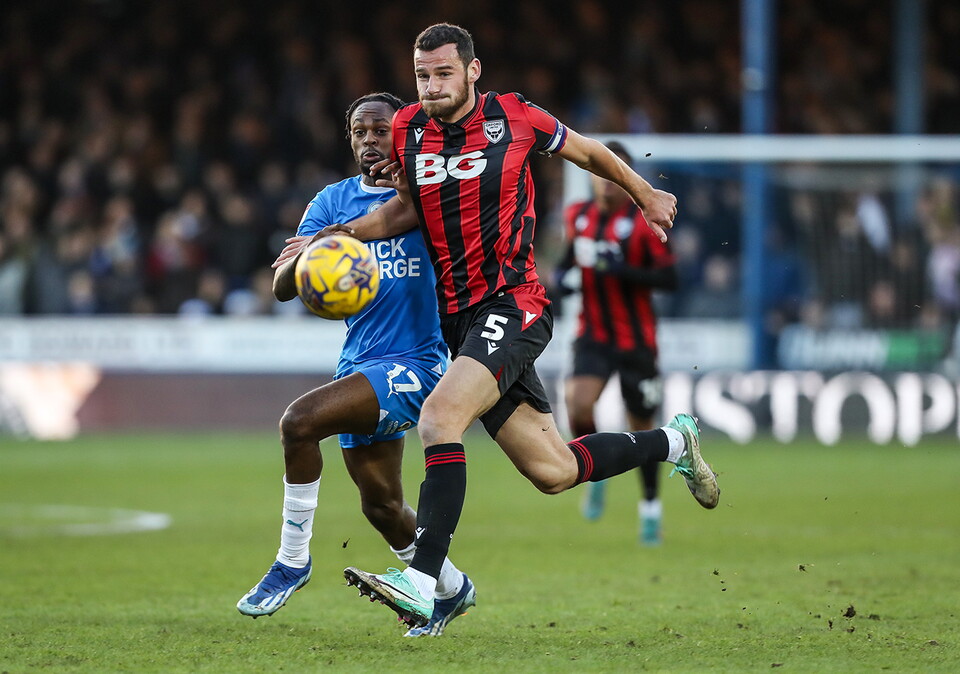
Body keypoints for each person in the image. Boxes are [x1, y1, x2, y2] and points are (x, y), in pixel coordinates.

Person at [275, 23, 719, 629]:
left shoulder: (516, 119)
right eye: (422, 76)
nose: (431, 87)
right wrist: (342, 234)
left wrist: (644, 193)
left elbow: (588, 151)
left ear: (472, 71)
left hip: (514, 303)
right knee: (554, 471)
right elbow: (409, 207)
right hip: (462, 321)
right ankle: (676, 442)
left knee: (438, 418)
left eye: (442, 74)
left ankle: (423, 581)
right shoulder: (409, 132)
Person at [237, 92, 475, 638]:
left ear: (404, 134)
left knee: (298, 422)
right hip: (360, 363)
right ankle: (452, 588)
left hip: (418, 363)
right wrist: (308, 265)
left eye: (381, 130)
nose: (370, 141)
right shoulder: (331, 201)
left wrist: (401, 190)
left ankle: (292, 561)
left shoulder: (427, 196)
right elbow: (279, 286)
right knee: (383, 507)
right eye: (360, 132)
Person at [552, 141, 679, 545]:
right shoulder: (578, 216)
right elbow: (568, 263)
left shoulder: (643, 222)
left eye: (615, 176)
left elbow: (670, 279)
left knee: (642, 425)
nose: (606, 185)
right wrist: (563, 282)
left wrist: (617, 268)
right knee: (578, 404)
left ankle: (650, 506)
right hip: (593, 335)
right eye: (600, 176)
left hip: (636, 340)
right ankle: (595, 470)